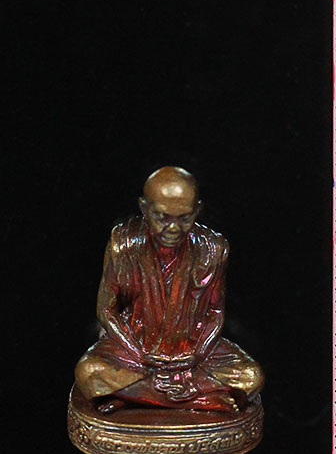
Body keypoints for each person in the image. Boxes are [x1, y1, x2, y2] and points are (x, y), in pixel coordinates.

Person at [74, 166, 263, 414]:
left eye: (184, 218)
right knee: (88, 372)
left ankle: (137, 396)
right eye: (162, 217)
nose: (173, 228)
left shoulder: (213, 249)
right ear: (144, 209)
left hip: (191, 353)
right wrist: (140, 354)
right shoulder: (124, 245)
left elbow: (216, 313)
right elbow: (106, 310)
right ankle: (199, 399)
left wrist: (196, 354)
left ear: (197, 210)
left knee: (251, 377)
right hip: (136, 350)